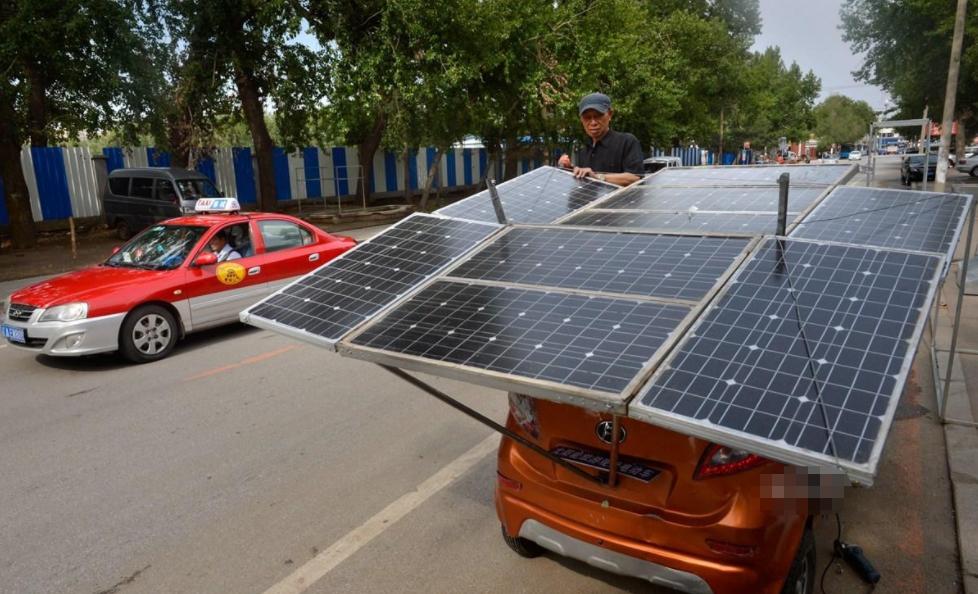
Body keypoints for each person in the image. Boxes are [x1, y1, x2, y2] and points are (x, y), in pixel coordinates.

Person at [557, 92, 643, 187]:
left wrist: (597, 177)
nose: (593, 122)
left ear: (610, 114)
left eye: (598, 116)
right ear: (581, 119)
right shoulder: (584, 149)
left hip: (619, 202)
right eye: (587, 118)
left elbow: (635, 178)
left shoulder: (627, 141)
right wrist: (570, 170)